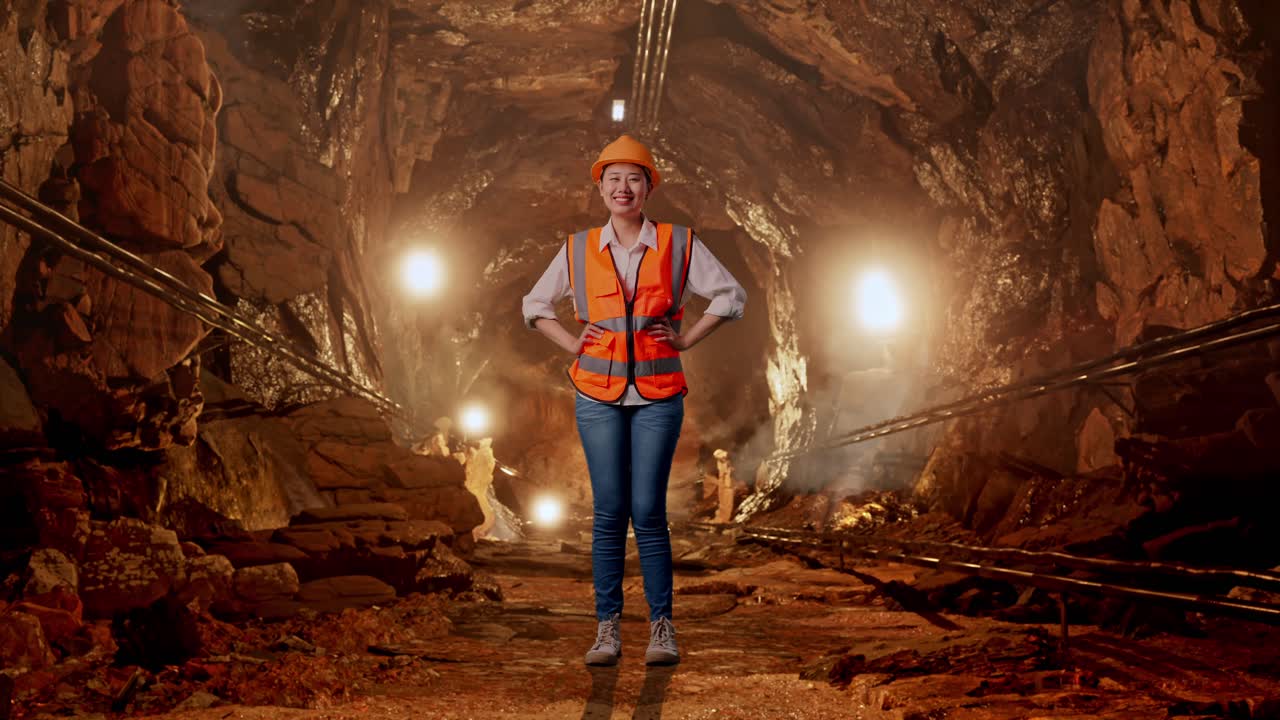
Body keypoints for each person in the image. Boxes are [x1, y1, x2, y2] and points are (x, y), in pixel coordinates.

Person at [521, 135, 746, 667]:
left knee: (647, 511)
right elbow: (534, 304)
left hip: (658, 394)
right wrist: (573, 343)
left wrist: (688, 340)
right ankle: (607, 629)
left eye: (635, 179)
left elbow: (730, 296)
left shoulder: (677, 242)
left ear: (648, 188)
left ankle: (661, 628)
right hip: (596, 394)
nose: (624, 188)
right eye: (614, 179)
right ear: (600, 187)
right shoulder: (577, 249)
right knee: (608, 512)